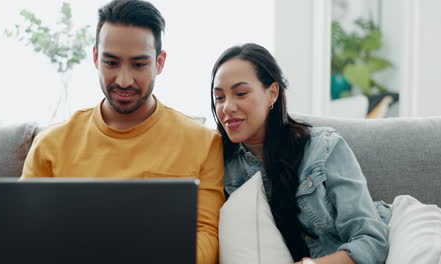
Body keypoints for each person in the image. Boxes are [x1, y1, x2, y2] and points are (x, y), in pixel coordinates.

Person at [21, 1, 224, 263]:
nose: (124, 80)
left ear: (159, 63)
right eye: (111, 62)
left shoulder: (203, 142)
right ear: (95, 58)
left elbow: (207, 235)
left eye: (139, 65)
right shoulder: (50, 144)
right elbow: (24, 236)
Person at [210, 43, 391, 264]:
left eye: (240, 93)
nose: (227, 107)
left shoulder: (323, 148)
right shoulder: (218, 165)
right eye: (219, 97)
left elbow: (371, 241)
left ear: (272, 93)